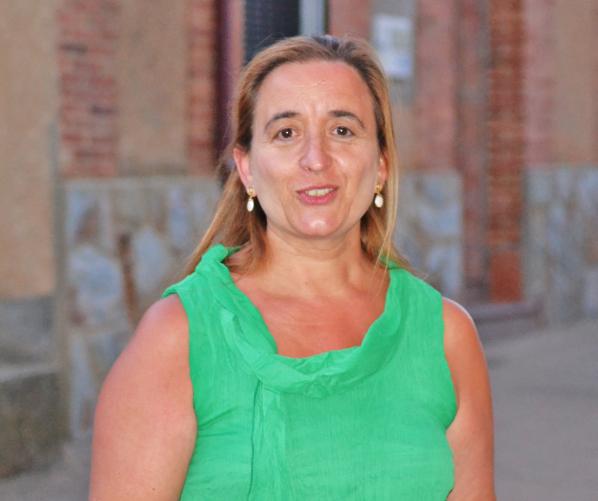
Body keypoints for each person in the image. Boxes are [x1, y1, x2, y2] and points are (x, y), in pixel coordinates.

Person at [90, 35, 495, 500]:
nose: (316, 159)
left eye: (342, 130)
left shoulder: (445, 336)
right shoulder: (179, 338)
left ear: (381, 164)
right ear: (247, 168)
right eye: (286, 133)